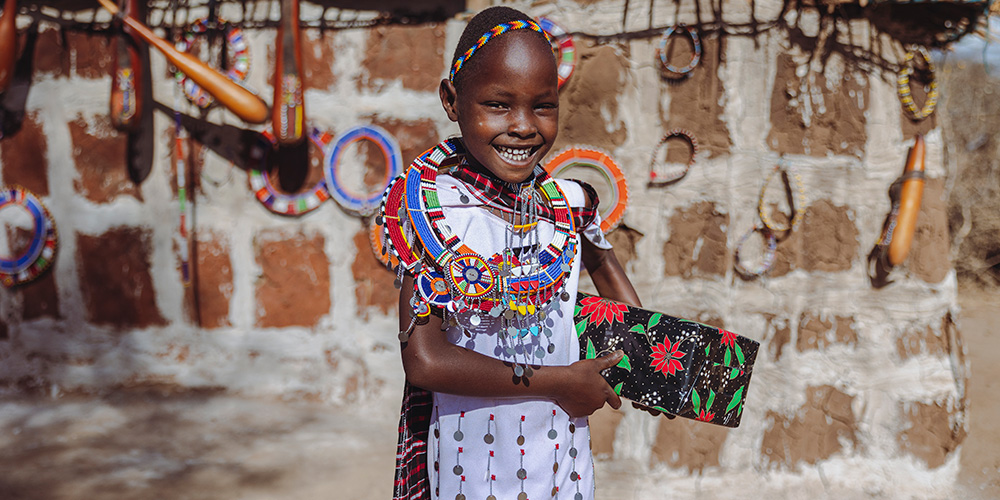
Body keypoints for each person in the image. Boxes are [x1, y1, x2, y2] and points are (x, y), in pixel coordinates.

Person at [384, 6, 642, 500]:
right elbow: (425, 361)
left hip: (562, 458)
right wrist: (560, 382)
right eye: (499, 105)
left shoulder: (565, 209)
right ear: (452, 101)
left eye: (542, 106)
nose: (523, 126)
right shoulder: (430, 212)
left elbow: (628, 314)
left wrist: (638, 358)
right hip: (472, 463)